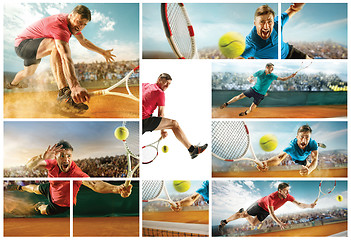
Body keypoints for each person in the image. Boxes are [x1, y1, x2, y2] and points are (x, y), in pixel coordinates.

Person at [7, 5, 116, 113]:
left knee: (28, 73)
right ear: (71, 15)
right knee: (56, 46)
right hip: (23, 45)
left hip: (36, 47)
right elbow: (65, 57)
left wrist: (103, 52)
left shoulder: (73, 25)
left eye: (84, 24)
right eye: (79, 22)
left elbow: (84, 41)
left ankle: (13, 84)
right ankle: (63, 93)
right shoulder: (60, 26)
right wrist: (74, 86)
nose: (81, 27)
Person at [8, 140, 132, 215]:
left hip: (60, 205)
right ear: (56, 157)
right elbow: (30, 166)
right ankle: (20, 187)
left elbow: (95, 184)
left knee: (43, 210)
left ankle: (38, 206)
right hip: (52, 188)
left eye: (69, 156)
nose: (66, 159)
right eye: (62, 156)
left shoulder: (76, 173)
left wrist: (117, 189)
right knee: (35, 189)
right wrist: (41, 157)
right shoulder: (52, 164)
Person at [142, 73, 208, 159]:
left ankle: (192, 150)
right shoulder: (160, 93)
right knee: (174, 124)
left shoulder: (145, 85)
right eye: (165, 82)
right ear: (159, 80)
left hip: (140, 119)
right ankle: (192, 150)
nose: (167, 86)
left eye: (169, 84)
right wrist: (162, 131)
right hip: (144, 121)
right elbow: (161, 114)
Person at [218, 182, 316, 235]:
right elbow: (272, 213)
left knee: (253, 223)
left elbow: (298, 204)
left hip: (265, 211)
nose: (287, 193)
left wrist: (309, 206)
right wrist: (279, 223)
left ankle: (243, 211)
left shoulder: (288, 197)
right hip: (259, 205)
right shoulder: (271, 197)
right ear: (280, 191)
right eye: (285, 191)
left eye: (288, 191)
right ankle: (224, 221)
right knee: (243, 215)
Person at [219, 63, 296, 116]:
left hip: (260, 95)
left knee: (252, 109)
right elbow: (251, 76)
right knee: (239, 96)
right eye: (271, 68)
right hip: (253, 90)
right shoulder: (260, 72)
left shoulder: (272, 76)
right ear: (267, 67)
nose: (272, 69)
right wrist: (249, 79)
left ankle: (245, 113)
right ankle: (226, 104)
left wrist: (290, 76)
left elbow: (282, 79)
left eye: (273, 68)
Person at [238, 4, 311, 59]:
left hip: (290, 52)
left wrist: (297, 5)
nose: (266, 27)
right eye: (262, 22)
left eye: (269, 21)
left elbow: (293, 9)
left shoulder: (277, 23)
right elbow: (239, 59)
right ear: (255, 23)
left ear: (273, 22)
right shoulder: (251, 44)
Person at [257, 124, 325, 176]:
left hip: (308, 151)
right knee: (305, 163)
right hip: (298, 159)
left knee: (312, 160)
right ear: (297, 137)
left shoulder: (312, 143)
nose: (304, 140)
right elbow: (279, 157)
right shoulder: (291, 147)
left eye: (307, 137)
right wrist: (267, 162)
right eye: (301, 137)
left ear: (310, 138)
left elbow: (315, 159)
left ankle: (318, 144)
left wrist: (309, 170)